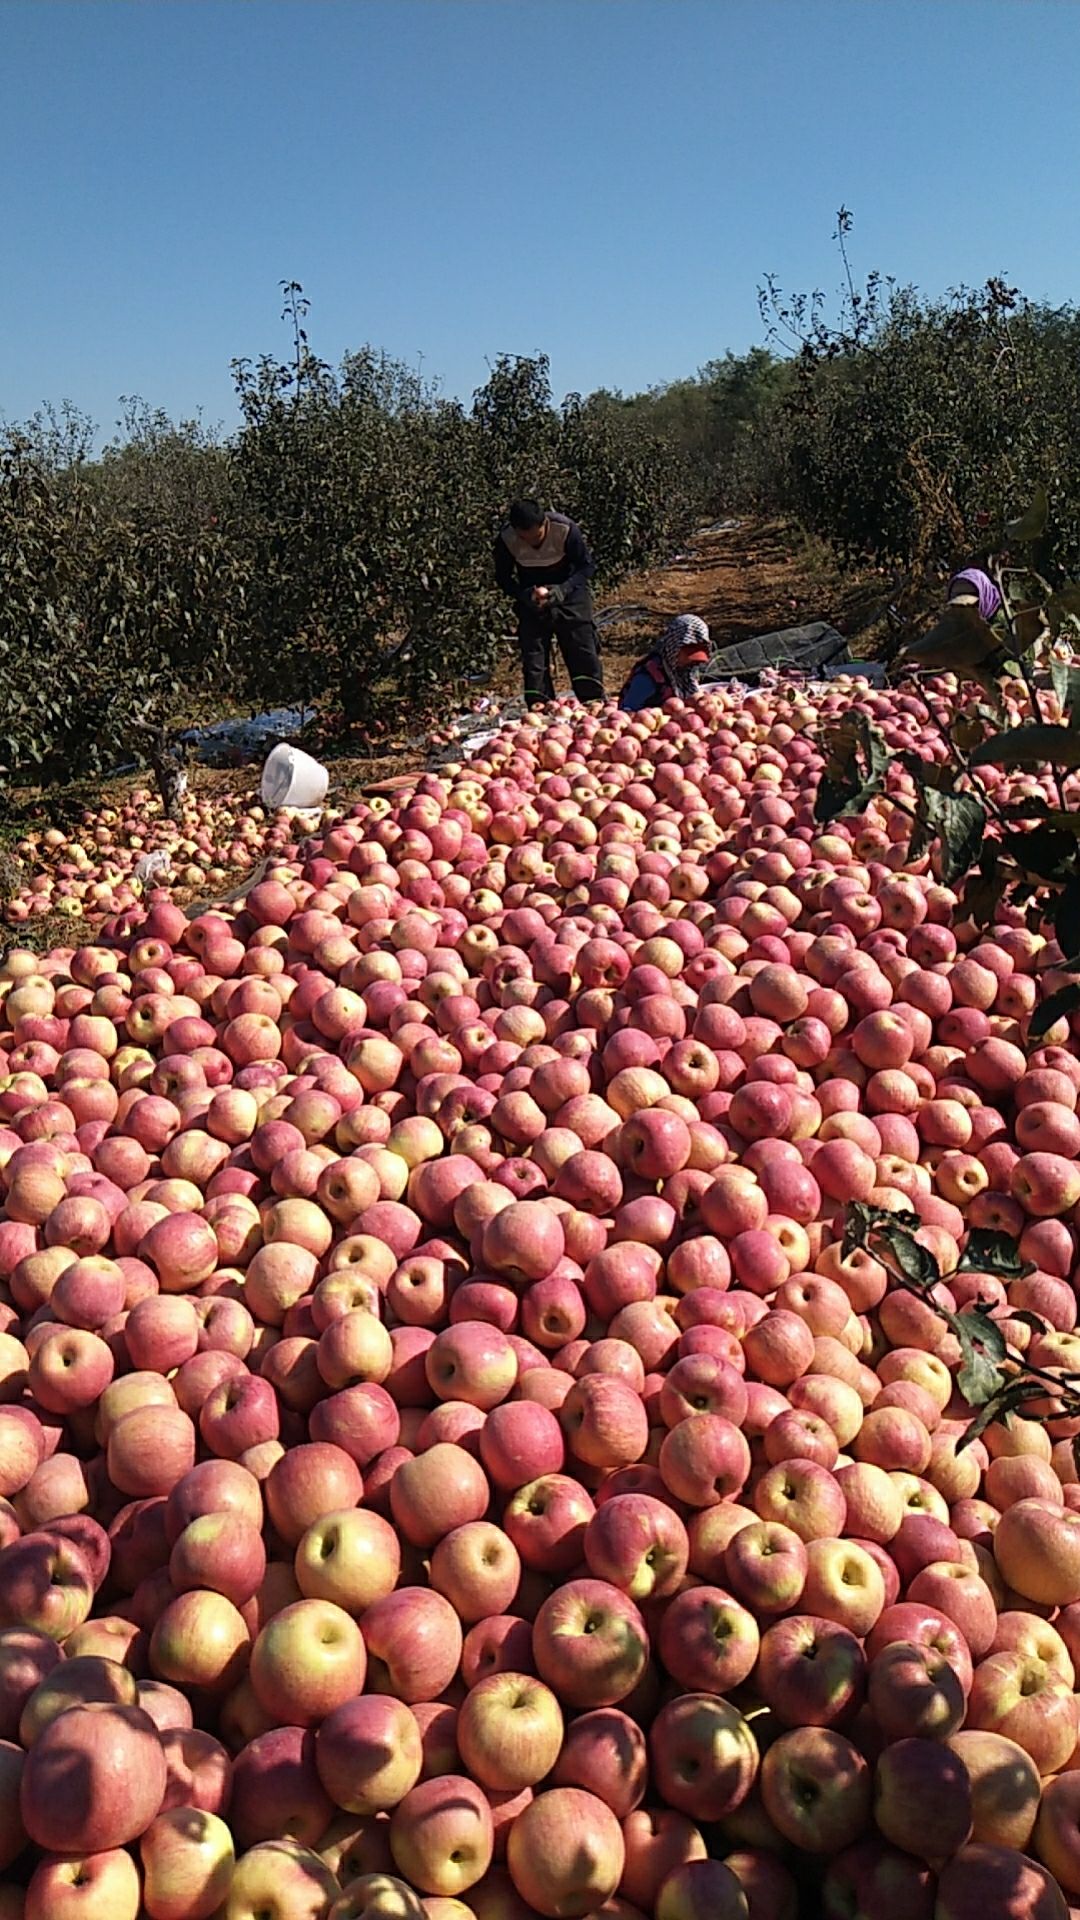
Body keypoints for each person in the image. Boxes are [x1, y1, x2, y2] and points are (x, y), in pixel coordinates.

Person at [494, 500, 605, 708]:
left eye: (536, 536)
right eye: (524, 538)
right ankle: (541, 710)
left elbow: (586, 566)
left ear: (544, 523)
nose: (532, 542)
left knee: (582, 652)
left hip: (569, 593)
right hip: (532, 596)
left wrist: (562, 590)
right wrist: (524, 594)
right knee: (534, 661)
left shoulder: (564, 529)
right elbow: (503, 577)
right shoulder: (507, 538)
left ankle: (594, 706)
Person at [618, 613, 712, 711]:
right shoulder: (649, 677)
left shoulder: (686, 670)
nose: (692, 663)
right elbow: (628, 711)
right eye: (688, 654)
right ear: (674, 647)